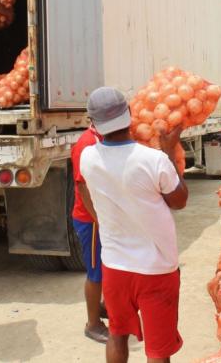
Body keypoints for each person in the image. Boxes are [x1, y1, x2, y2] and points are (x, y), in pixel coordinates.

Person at [79, 87, 189, 363]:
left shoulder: (88, 158)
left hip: (115, 267)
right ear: (129, 115)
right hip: (156, 269)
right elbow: (179, 200)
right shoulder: (154, 160)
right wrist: (170, 149)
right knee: (157, 350)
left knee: (117, 333)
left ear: (93, 124)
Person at [71, 125, 110, 343]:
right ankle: (92, 324)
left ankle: (102, 307)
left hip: (101, 217)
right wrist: (98, 218)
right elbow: (82, 185)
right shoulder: (87, 144)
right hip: (91, 219)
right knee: (95, 272)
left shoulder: (103, 138)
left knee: (104, 269)